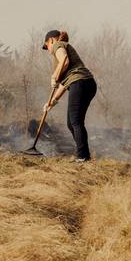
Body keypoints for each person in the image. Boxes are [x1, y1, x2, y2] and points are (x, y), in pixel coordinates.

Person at [42, 30, 97, 162]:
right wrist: (52, 101)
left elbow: (64, 60)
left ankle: (82, 157)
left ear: (51, 40)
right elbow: (64, 84)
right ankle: (84, 155)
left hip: (80, 82)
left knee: (75, 121)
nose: (48, 50)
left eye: (46, 46)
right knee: (71, 123)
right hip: (86, 83)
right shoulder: (61, 49)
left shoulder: (58, 45)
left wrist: (54, 75)